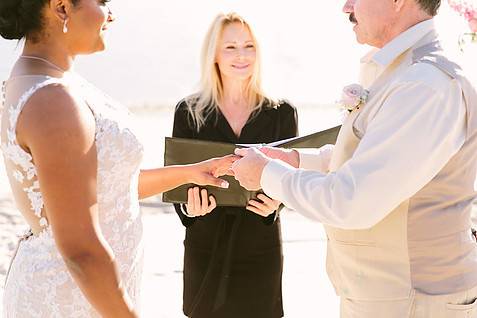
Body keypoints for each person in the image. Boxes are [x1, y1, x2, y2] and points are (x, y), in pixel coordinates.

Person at [232, 0, 477, 317]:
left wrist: (267, 174)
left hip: (413, 300)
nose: (346, 7)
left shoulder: (423, 86)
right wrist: (296, 160)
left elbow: (351, 201)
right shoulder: (406, 73)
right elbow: (376, 162)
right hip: (394, 297)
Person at [0, 1, 235, 317]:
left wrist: (191, 172)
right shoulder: (52, 100)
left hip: (90, 292)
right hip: (73, 299)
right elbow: (83, 251)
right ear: (61, 8)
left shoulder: (47, 80)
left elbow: (100, 191)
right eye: (100, 2)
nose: (110, 14)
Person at [172, 12, 298, 318]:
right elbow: (177, 182)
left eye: (248, 46)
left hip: (260, 248)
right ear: (214, 54)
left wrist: (275, 207)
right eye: (230, 47)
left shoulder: (282, 112)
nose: (241, 55)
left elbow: (291, 179)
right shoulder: (189, 111)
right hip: (205, 248)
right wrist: (189, 209)